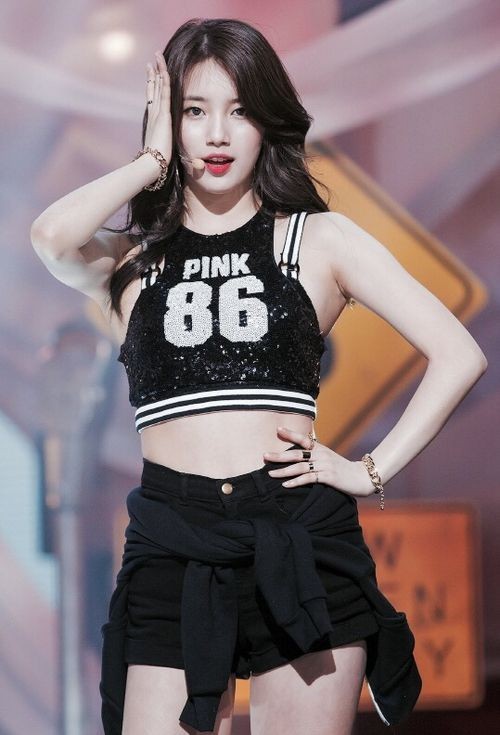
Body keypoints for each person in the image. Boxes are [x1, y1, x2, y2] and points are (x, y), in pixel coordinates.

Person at [30, 17, 487, 735]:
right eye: (195, 110)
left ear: (267, 121)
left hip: (296, 534)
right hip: (172, 540)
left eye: (239, 110)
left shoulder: (317, 238)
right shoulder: (131, 261)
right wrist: (151, 163)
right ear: (167, 120)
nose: (217, 134)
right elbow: (50, 236)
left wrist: (367, 470)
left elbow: (458, 353)